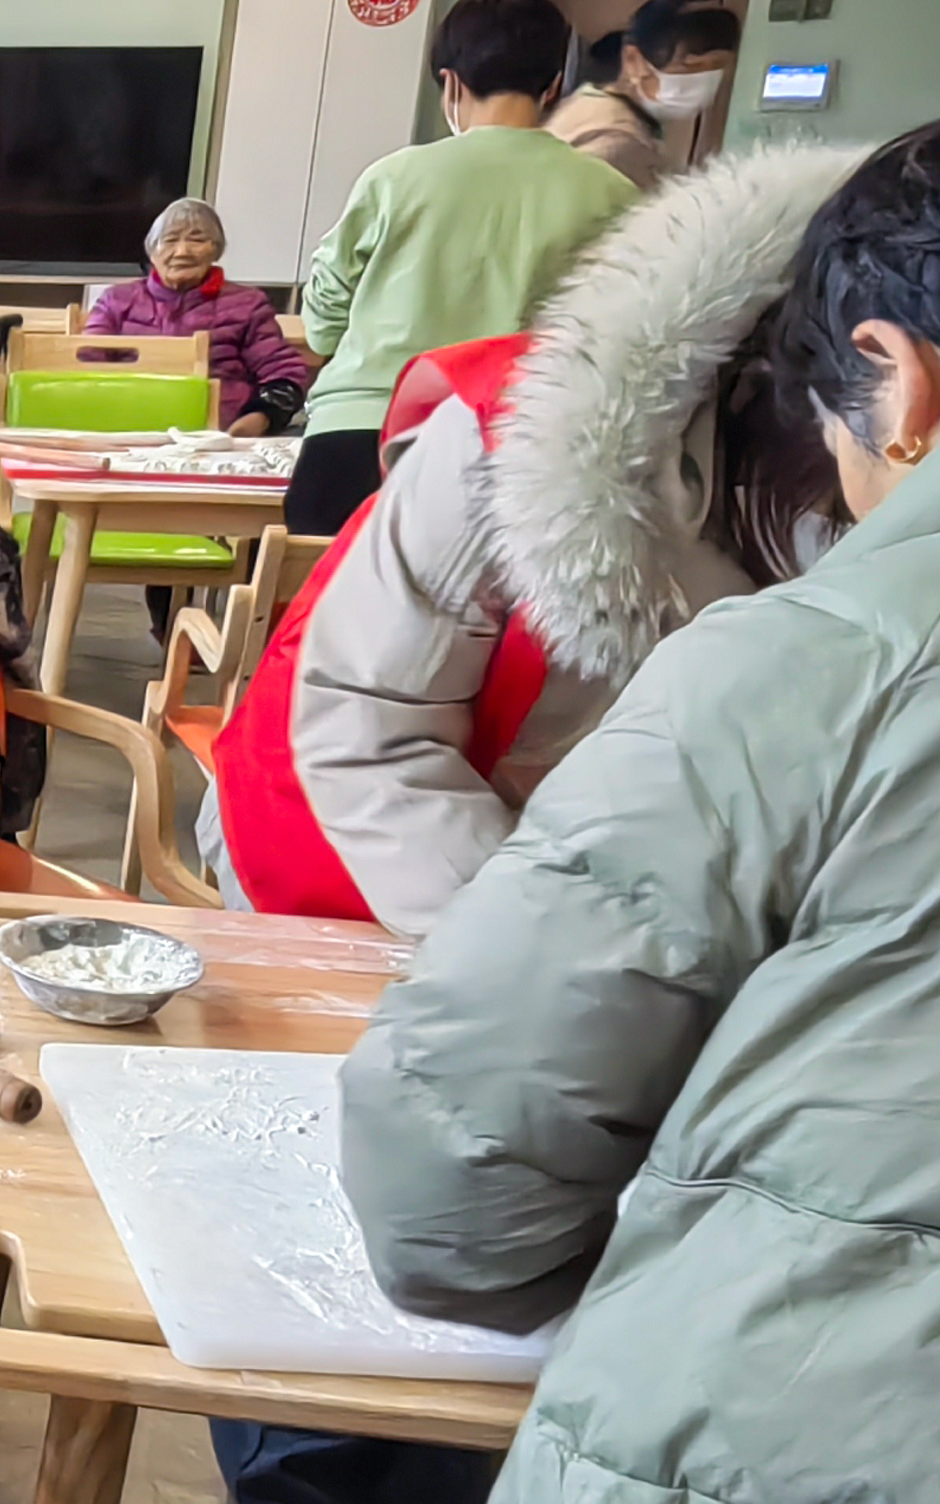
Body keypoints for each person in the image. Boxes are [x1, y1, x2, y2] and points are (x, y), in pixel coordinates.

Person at [338, 120, 940, 1504]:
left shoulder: (835, 644)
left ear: (897, 377)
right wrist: (523, 941)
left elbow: (461, 1169)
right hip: (417, 904)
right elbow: (364, 731)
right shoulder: (501, 445)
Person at [207, 141, 860, 939]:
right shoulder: (541, 422)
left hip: (397, 415)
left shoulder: (400, 176)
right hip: (383, 834)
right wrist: (553, 951)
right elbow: (368, 727)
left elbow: (327, 308)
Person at [285, 0, 642, 536]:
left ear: (450, 83)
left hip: (361, 435)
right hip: (516, 443)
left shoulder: (394, 178)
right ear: (554, 86)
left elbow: (323, 320)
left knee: (320, 585)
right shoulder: (614, 195)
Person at [86, 198, 313, 439]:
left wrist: (259, 418)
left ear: (215, 250)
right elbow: (83, 363)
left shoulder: (248, 303)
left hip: (218, 435)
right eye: (170, 240)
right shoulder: (116, 300)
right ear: (152, 252)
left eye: (197, 240)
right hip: (128, 429)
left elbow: (282, 370)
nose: (182, 251)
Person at [548, 1, 742, 191]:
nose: (705, 79)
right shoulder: (619, 144)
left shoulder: (591, 104)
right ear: (633, 60)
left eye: (718, 68)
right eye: (692, 66)